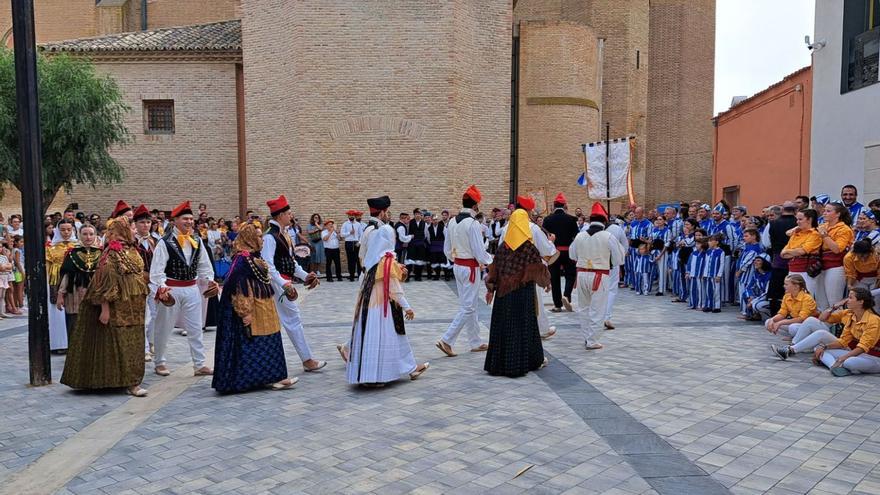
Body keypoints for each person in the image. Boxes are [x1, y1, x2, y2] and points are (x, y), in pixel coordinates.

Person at [60, 218, 150, 397]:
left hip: (135, 308)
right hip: (118, 309)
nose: (134, 231)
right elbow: (103, 283)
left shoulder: (132, 250)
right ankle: (131, 383)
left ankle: (128, 380)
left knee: (134, 344)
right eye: (131, 228)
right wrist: (105, 309)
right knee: (121, 345)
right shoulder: (111, 254)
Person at [347, 200, 428, 387]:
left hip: (368, 292)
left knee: (373, 333)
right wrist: (408, 307)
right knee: (386, 334)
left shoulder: (373, 250)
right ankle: (378, 375)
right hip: (382, 301)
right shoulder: (386, 260)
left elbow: (363, 257)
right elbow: (394, 289)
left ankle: (405, 368)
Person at [212, 224, 296, 393]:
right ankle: (253, 380)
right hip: (253, 309)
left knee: (269, 342)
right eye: (258, 237)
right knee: (254, 344)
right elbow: (238, 287)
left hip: (263, 307)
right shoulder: (242, 260)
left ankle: (275, 377)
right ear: (249, 238)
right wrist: (245, 313)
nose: (261, 240)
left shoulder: (253, 256)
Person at [150, 201, 218, 377]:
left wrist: (210, 280)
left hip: (192, 289)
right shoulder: (164, 242)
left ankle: (199, 364)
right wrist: (162, 287)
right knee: (164, 327)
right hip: (171, 289)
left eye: (191, 219)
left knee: (196, 327)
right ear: (175, 221)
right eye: (185, 219)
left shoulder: (197, 240)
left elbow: (204, 265)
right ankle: (160, 362)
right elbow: (157, 270)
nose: (189, 222)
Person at [262, 195, 327, 372]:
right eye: (288, 213)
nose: (291, 216)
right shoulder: (270, 237)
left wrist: (305, 276)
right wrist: (283, 283)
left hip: (283, 282)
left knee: (290, 320)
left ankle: (306, 359)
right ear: (280, 215)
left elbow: (291, 262)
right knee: (292, 320)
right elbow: (268, 265)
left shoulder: (283, 234)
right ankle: (307, 360)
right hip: (276, 284)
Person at [483, 208, 550, 376]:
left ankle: (498, 365)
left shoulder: (502, 249)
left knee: (503, 326)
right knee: (523, 326)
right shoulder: (529, 249)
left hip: (503, 296)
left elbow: (493, 273)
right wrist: (547, 282)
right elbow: (539, 271)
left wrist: (490, 289)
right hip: (523, 295)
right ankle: (526, 362)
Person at [436, 185, 493, 357]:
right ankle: (447, 339)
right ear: (475, 205)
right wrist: (491, 260)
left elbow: (447, 249)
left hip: (458, 265)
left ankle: (475, 341)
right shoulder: (473, 224)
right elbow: (479, 251)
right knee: (468, 307)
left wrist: (457, 259)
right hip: (470, 268)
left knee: (470, 305)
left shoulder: (452, 221)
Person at [771, 287, 880, 376]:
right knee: (819, 349)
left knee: (849, 362)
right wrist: (834, 307)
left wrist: (842, 358)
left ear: (861, 302)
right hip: (854, 352)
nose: (847, 300)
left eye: (851, 298)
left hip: (873, 357)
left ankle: (839, 364)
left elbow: (863, 347)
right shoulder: (849, 314)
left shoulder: (873, 320)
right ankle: (834, 367)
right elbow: (824, 321)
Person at [498, 195, 557, 339]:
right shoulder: (533, 228)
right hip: (530, 270)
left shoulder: (506, 228)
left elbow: (500, 248)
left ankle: (535, 328)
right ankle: (538, 330)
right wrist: (551, 241)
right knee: (535, 300)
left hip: (511, 270)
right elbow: (547, 250)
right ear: (528, 212)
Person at [569, 203, 626, 350]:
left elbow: (572, 254)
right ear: (604, 221)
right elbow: (619, 259)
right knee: (598, 309)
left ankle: (587, 337)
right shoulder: (608, 236)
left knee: (583, 308)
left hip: (581, 274)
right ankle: (592, 340)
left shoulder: (580, 235)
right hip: (600, 275)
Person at [56, 224, 100, 340]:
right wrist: (60, 295)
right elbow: (65, 276)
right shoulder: (72, 253)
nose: (88, 237)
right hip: (74, 293)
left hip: (95, 293)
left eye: (91, 234)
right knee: (74, 326)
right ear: (79, 235)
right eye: (85, 234)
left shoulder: (101, 253)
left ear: (95, 235)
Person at [542, 193, 579, 311]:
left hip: (554, 252)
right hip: (568, 252)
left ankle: (557, 305)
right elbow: (576, 237)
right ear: (564, 206)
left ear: (554, 206)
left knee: (554, 277)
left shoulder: (547, 219)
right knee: (570, 275)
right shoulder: (572, 219)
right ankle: (566, 295)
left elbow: (544, 237)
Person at [813, 202, 854, 310]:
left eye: (828, 211)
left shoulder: (844, 229)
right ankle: (824, 320)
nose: (824, 213)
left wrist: (824, 235)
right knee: (820, 301)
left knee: (834, 301)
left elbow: (837, 249)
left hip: (836, 266)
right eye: (824, 210)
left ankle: (837, 320)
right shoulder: (822, 226)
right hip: (820, 265)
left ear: (838, 214)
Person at [47, 219, 78, 353]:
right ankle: (59, 344)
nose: (66, 232)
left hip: (74, 281)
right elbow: (47, 268)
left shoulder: (78, 247)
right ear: (58, 231)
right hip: (56, 280)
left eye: (69, 229)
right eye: (63, 230)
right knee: (57, 313)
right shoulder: (51, 248)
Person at [133, 205, 157, 362]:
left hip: (154, 282)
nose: (145, 225)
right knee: (144, 316)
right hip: (138, 282)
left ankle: (152, 341)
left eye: (148, 222)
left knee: (155, 314)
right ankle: (144, 348)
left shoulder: (155, 241)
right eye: (142, 222)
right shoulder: (132, 242)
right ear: (135, 224)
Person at [780, 209, 822, 301]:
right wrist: (794, 251)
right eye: (797, 219)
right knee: (791, 296)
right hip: (792, 269)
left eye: (800, 219)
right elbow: (783, 254)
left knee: (806, 297)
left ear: (809, 220)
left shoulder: (814, 234)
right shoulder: (796, 233)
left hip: (806, 271)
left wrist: (790, 251)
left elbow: (802, 251)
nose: (797, 222)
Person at [767, 202, 799, 314]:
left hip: (778, 258)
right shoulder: (799, 223)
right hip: (796, 258)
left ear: (782, 210)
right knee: (795, 285)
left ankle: (776, 312)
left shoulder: (773, 223)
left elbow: (766, 243)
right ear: (795, 210)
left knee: (776, 287)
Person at [764, 274, 817, 339]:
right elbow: (782, 314)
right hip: (797, 324)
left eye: (786, 284)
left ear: (796, 286)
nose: (784, 286)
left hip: (808, 325)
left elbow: (801, 319)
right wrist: (772, 319)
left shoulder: (807, 298)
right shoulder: (787, 296)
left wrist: (780, 322)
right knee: (768, 322)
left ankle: (804, 338)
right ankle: (794, 336)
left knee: (793, 328)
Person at [604, 213, 629, 329]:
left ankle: (598, 317)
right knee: (611, 290)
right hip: (612, 263)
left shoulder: (586, 230)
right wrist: (620, 258)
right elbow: (625, 245)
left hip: (594, 265)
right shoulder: (616, 228)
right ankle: (606, 317)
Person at [702, 234, 725, 313]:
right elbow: (706, 263)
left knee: (716, 291)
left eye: (711, 241)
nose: (709, 242)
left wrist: (719, 275)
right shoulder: (708, 251)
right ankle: (709, 305)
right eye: (708, 241)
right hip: (708, 275)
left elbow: (722, 264)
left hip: (715, 275)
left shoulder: (721, 252)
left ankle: (717, 306)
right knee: (708, 291)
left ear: (716, 242)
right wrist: (704, 273)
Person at [407, 209, 429, 281]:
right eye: (416, 214)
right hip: (412, 244)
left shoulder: (424, 223)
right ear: (414, 215)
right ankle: (407, 276)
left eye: (419, 214)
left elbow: (426, 234)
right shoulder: (410, 222)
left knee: (419, 260)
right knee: (410, 260)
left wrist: (421, 240)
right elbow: (408, 232)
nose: (417, 215)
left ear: (421, 215)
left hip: (420, 244)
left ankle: (418, 276)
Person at [341, 210, 362, 281]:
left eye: (352, 215)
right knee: (350, 260)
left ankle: (359, 276)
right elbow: (342, 234)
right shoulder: (345, 224)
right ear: (348, 216)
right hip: (349, 243)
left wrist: (359, 242)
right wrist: (349, 233)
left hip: (356, 243)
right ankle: (351, 276)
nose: (351, 216)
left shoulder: (358, 224)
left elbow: (361, 235)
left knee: (358, 260)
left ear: (354, 216)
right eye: (350, 215)